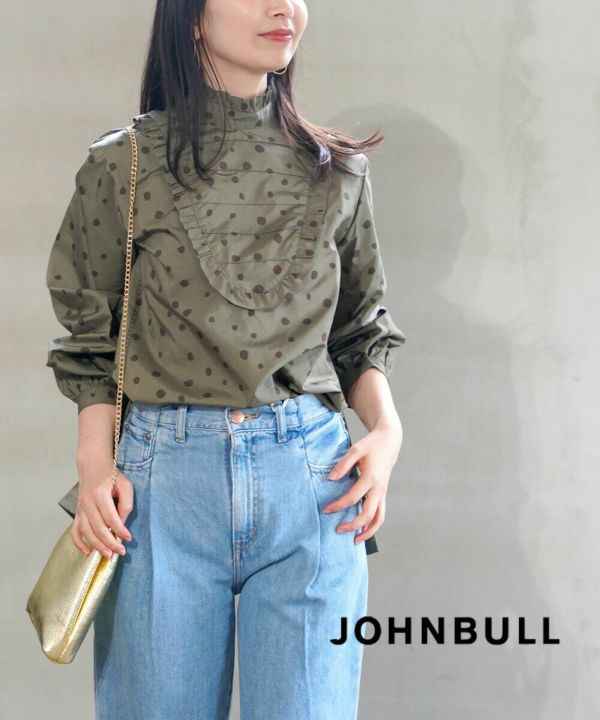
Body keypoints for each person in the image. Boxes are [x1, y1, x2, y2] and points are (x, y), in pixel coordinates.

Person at [45, 1, 406, 718]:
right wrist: (93, 467)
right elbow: (89, 339)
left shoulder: (338, 172)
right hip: (159, 492)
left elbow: (359, 330)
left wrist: (388, 433)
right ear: (191, 17)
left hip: (313, 484)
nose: (283, 8)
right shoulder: (124, 165)